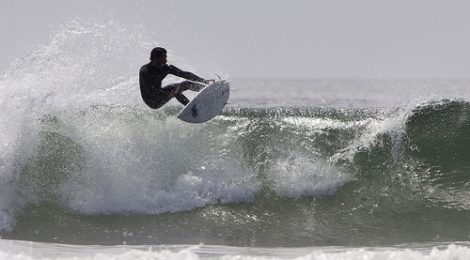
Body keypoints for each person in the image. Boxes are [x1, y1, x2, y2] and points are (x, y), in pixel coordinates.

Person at [139, 47, 213, 109]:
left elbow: (184, 74)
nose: (166, 60)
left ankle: (210, 91)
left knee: (185, 84)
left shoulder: (165, 68)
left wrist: (203, 80)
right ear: (155, 59)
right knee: (175, 89)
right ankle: (191, 108)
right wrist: (168, 94)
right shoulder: (145, 72)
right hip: (152, 101)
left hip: (160, 93)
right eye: (163, 58)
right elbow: (150, 91)